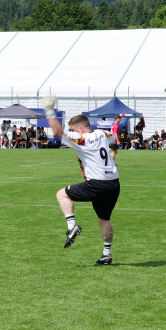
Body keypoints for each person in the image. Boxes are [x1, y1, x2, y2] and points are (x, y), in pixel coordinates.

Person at [44, 96, 120, 266]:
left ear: (81, 129)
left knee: (61, 194)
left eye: (74, 130)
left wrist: (49, 111)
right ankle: (106, 254)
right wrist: (113, 154)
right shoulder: (102, 133)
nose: (73, 133)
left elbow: (58, 133)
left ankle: (72, 226)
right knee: (104, 219)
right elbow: (114, 140)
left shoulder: (82, 139)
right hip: (114, 184)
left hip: (97, 184)